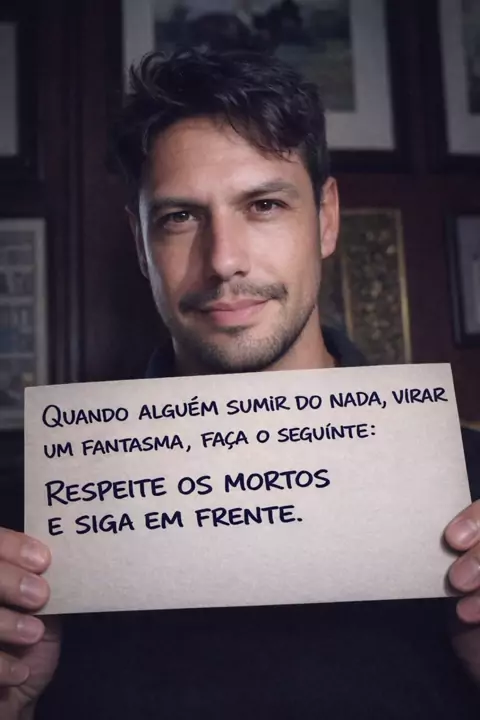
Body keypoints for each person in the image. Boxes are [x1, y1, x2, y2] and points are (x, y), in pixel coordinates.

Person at [1, 47, 480, 720]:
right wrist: (15, 703)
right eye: (180, 217)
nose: (223, 260)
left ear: (326, 219)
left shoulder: (469, 485)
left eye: (264, 204)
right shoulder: (29, 519)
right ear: (140, 243)